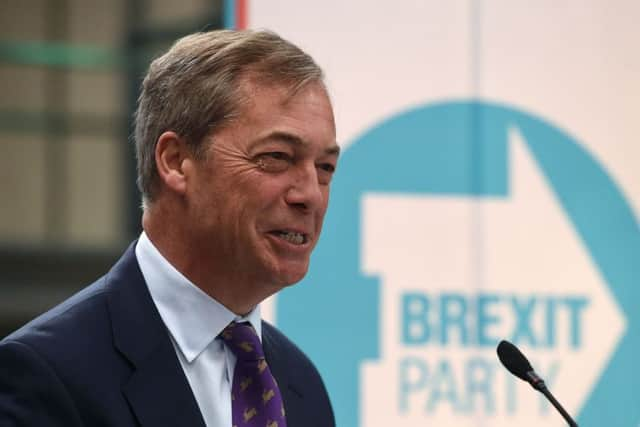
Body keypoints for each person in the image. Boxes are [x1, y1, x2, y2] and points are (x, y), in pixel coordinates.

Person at [0, 29, 339, 427]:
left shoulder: (302, 385)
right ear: (176, 162)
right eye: (277, 157)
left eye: (325, 168)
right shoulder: (46, 374)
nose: (310, 195)